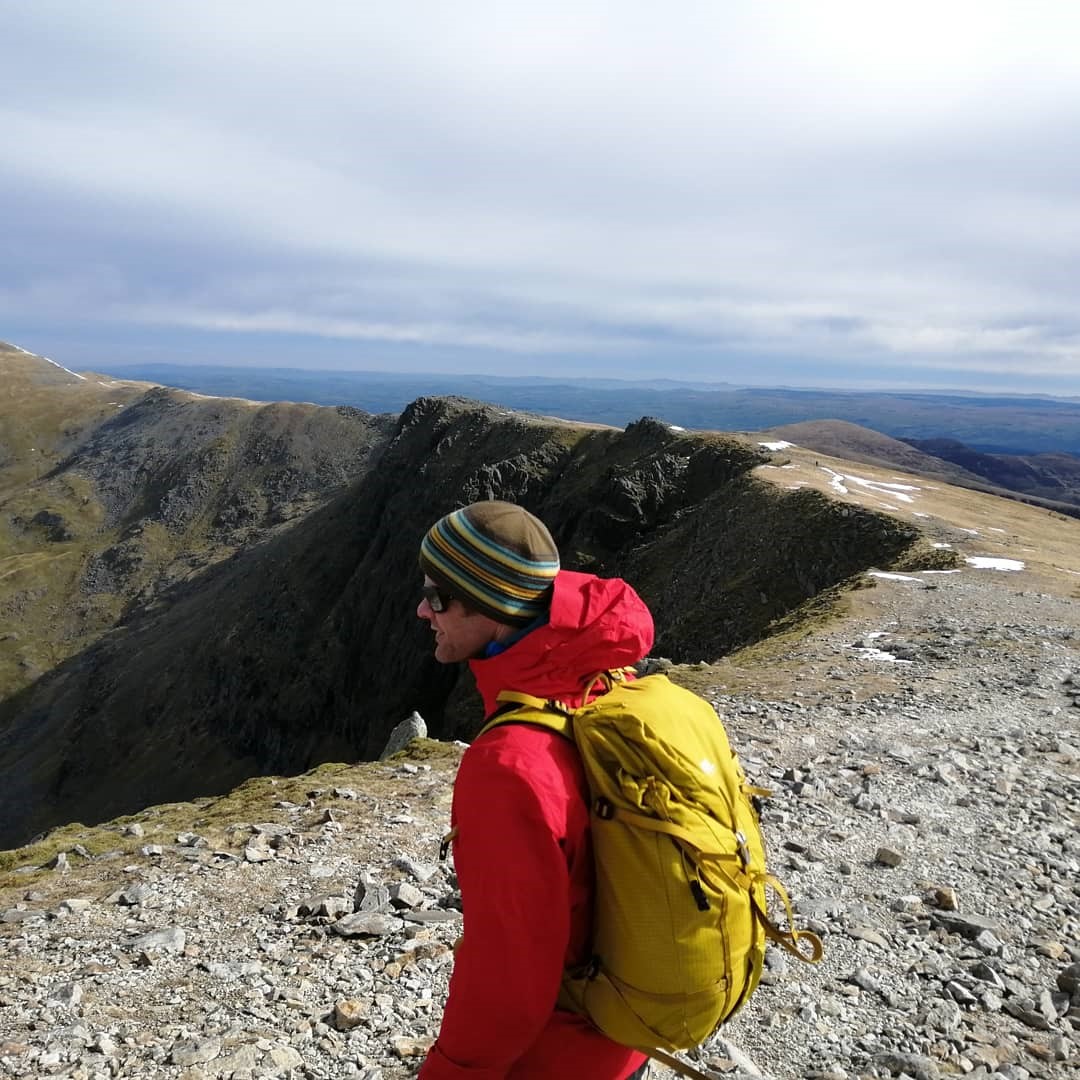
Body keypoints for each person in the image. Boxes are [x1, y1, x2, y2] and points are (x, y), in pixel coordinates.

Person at [415, 500, 652, 1080]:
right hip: (627, 1037)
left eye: (440, 597)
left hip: (559, 1057)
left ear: (496, 607)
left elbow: (509, 975)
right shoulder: (604, 677)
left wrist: (448, 1072)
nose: (423, 610)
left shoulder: (509, 768)